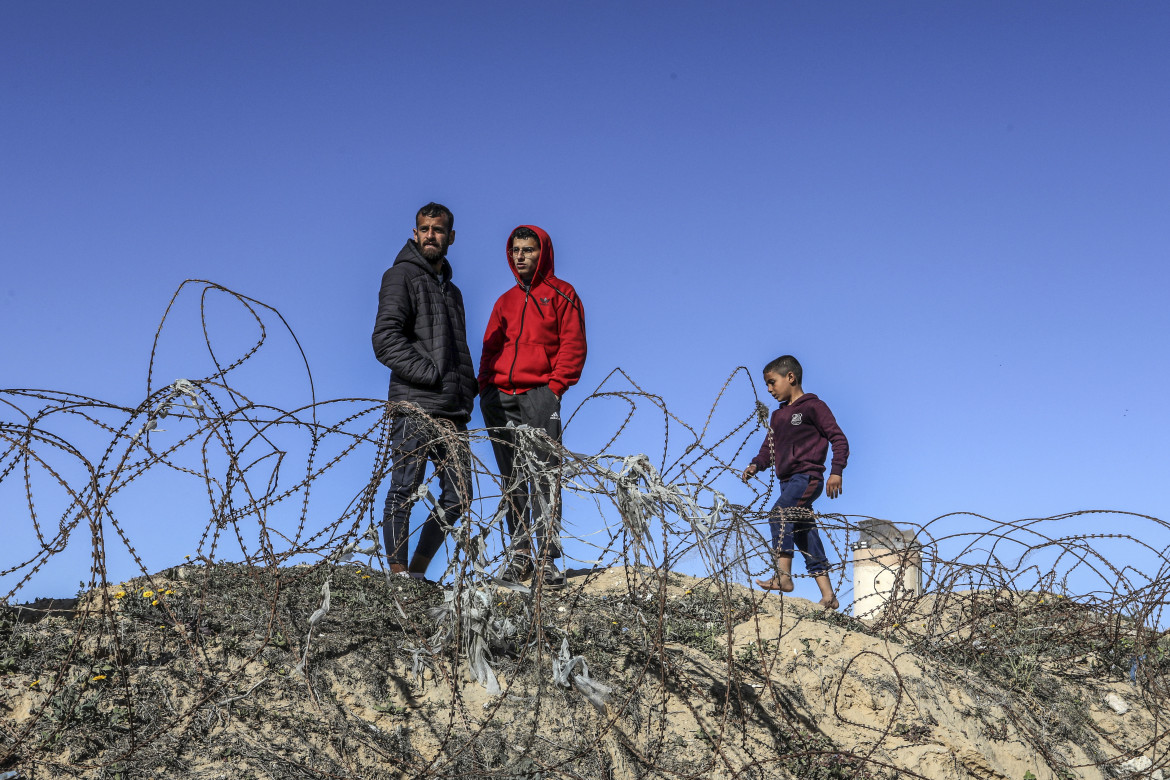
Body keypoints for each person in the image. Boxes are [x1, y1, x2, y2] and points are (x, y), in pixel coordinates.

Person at [372, 202, 477, 579]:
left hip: (452, 410)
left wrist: (467, 390)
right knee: (404, 489)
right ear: (415, 233)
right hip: (415, 404)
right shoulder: (400, 276)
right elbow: (385, 339)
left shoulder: (454, 292)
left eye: (438, 229)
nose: (431, 235)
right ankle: (399, 576)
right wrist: (430, 375)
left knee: (458, 496)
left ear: (451, 237)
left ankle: (417, 571)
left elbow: (457, 349)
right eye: (424, 228)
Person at [479, 225, 587, 589]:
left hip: (540, 394)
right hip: (499, 398)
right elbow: (490, 349)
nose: (521, 256)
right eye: (515, 250)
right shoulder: (504, 301)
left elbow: (573, 345)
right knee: (512, 479)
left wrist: (554, 389)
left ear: (543, 253)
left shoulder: (562, 293)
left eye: (528, 249)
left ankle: (547, 558)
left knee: (543, 474)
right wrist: (484, 387)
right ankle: (521, 553)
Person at [741, 355, 848, 609]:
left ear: (791, 377)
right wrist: (757, 464)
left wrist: (836, 471)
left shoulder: (813, 407)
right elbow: (769, 447)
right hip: (787, 482)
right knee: (804, 532)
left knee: (779, 513)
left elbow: (838, 438)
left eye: (771, 382)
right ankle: (828, 595)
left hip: (807, 477)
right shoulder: (777, 417)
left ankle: (784, 577)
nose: (769, 389)